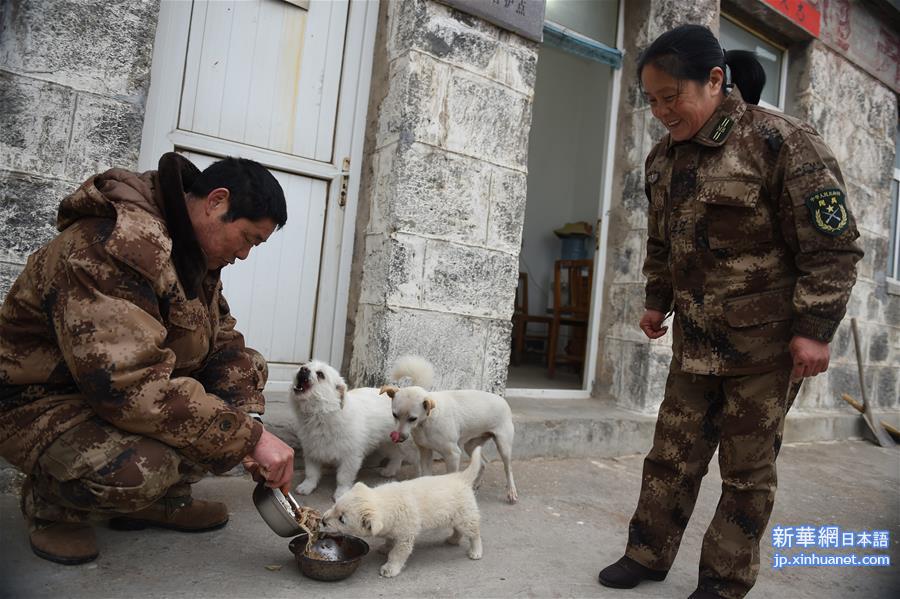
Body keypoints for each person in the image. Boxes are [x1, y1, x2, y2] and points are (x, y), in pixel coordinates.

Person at [597, 25, 863, 599]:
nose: (663, 111)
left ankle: (723, 579)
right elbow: (663, 243)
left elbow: (833, 247)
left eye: (673, 97)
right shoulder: (662, 159)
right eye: (653, 100)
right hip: (695, 341)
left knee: (746, 471)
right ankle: (646, 553)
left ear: (715, 80)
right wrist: (655, 300)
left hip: (765, 348)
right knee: (670, 455)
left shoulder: (782, 143)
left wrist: (815, 331)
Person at [0, 152, 299, 565]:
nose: (245, 255)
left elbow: (223, 342)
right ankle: (53, 507)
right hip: (42, 402)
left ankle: (159, 502)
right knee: (142, 468)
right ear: (216, 202)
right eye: (248, 238)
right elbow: (128, 386)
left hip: (110, 397)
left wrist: (252, 422)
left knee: (246, 369)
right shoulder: (114, 246)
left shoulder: (193, 253)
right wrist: (249, 438)